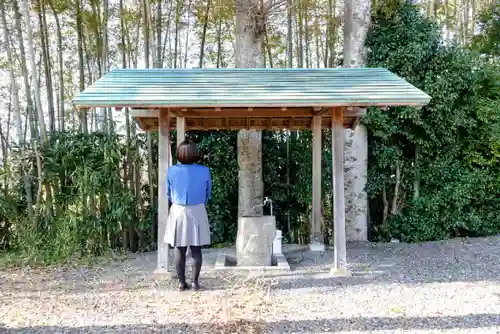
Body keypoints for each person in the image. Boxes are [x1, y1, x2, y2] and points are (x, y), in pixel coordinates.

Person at [164, 139, 212, 291]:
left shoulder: (172, 171)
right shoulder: (204, 170)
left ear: (179, 154)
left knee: (180, 248)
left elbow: (168, 194)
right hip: (197, 209)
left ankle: (181, 283)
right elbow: (208, 193)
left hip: (178, 210)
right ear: (195, 154)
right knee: (196, 249)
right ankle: (195, 283)